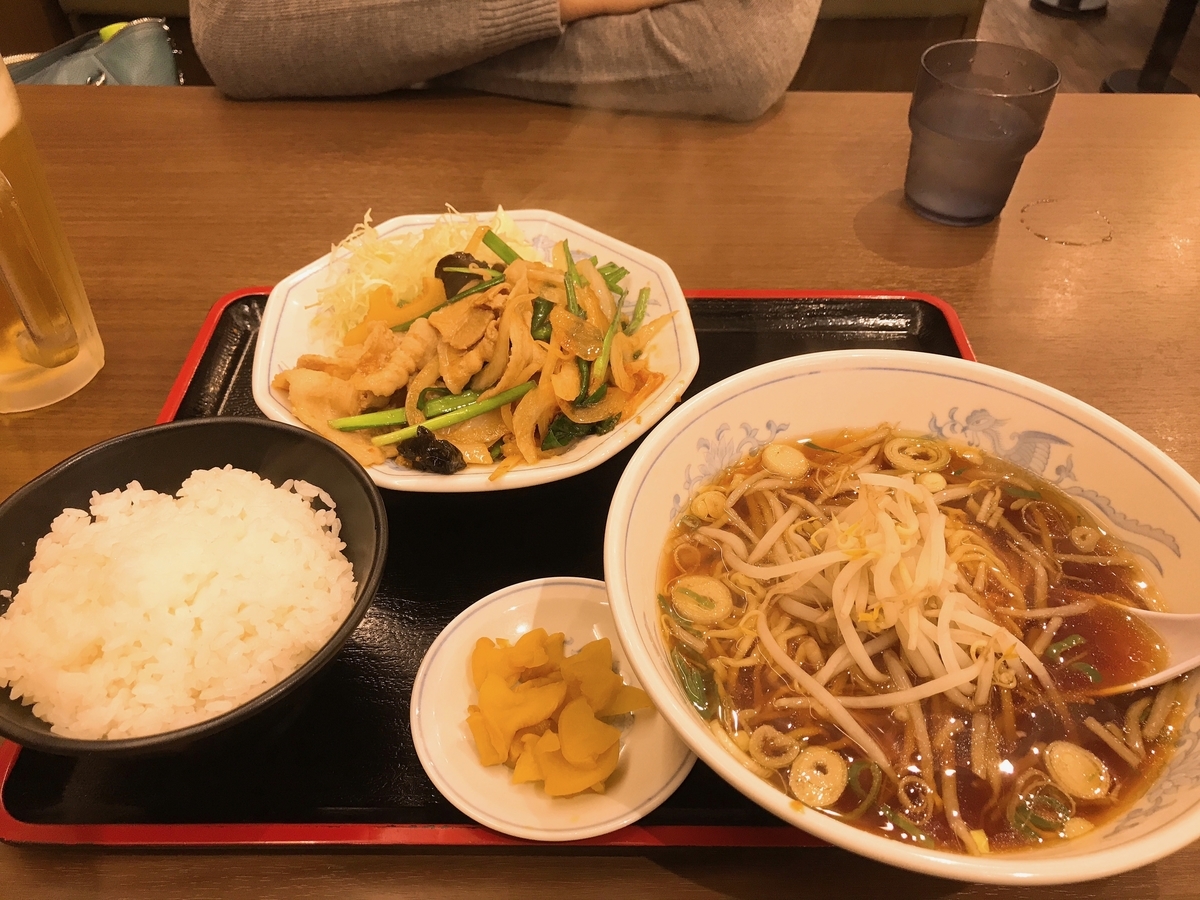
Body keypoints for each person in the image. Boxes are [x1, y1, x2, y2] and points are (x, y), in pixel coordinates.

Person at [190, 0, 820, 121]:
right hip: (326, 175)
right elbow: (235, 32)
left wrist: (383, 48)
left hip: (654, 185)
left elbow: (740, 54)